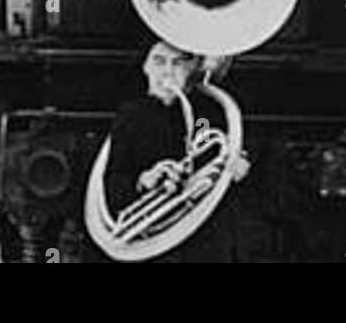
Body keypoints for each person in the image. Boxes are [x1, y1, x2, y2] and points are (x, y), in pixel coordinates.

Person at [102, 40, 249, 263]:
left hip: (206, 244)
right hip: (151, 246)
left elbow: (242, 175)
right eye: (159, 62)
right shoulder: (130, 115)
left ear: (191, 70)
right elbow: (114, 184)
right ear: (146, 67)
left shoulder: (214, 110)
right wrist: (144, 180)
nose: (167, 71)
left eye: (178, 63)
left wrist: (239, 167)